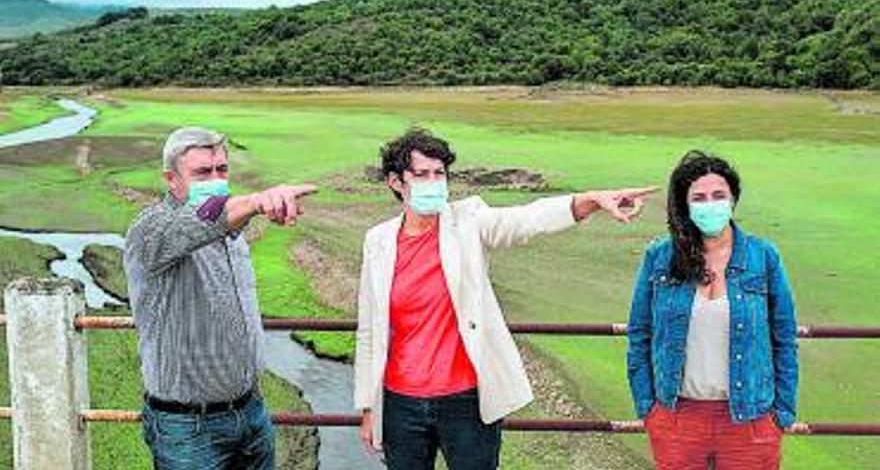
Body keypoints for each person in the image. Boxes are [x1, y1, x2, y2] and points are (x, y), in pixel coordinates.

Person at [354, 127, 657, 470]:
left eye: (440, 174)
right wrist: (369, 408)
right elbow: (369, 329)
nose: (434, 183)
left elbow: (527, 220)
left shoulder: (468, 221)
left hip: (466, 401)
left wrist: (592, 200)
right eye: (421, 175)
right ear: (396, 182)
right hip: (400, 404)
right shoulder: (378, 241)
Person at [124, 126, 316, 469]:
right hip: (187, 427)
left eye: (222, 170)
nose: (216, 179)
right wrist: (257, 201)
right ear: (171, 179)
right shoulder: (151, 229)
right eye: (202, 172)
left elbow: (218, 220)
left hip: (251, 411)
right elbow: (195, 225)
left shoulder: (230, 231)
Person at [627, 150, 798, 469]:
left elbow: (784, 338)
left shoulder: (763, 257)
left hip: (750, 418)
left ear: (733, 200)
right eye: (700, 197)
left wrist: (782, 413)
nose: (710, 204)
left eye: (719, 195)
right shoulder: (660, 258)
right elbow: (639, 334)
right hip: (677, 417)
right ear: (685, 205)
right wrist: (648, 408)